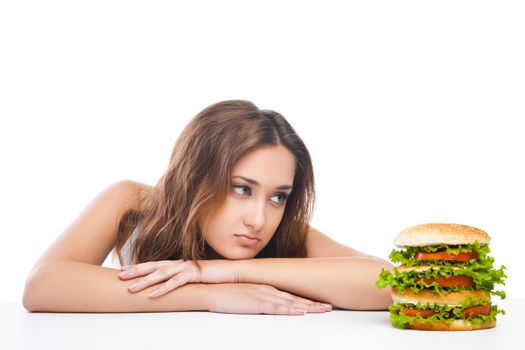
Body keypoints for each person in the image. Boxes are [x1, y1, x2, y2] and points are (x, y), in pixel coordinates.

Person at [22, 100, 392, 315]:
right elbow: (43, 285)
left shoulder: (285, 232)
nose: (259, 219)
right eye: (241, 189)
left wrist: (224, 272)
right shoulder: (131, 203)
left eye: (278, 196)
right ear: (196, 177)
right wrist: (208, 293)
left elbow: (388, 283)